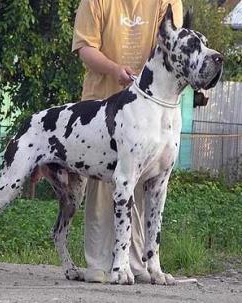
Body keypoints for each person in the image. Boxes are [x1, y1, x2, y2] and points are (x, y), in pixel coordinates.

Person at [72, 0, 183, 283]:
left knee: (147, 183)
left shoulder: (166, 1)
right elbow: (85, 48)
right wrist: (114, 70)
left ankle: (137, 264)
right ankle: (97, 263)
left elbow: (172, 43)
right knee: (100, 187)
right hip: (100, 102)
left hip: (150, 104)